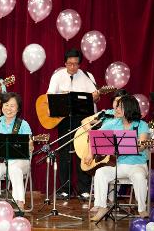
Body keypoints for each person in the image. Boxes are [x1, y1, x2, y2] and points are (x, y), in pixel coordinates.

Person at [85, 94, 150, 221]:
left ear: (129, 108)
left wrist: (135, 144)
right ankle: (102, 207)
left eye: (120, 107)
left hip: (138, 165)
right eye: (117, 106)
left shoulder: (141, 124)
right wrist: (90, 154)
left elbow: (142, 146)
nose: (116, 109)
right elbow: (94, 137)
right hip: (120, 166)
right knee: (100, 172)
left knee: (139, 176)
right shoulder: (112, 123)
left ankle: (142, 209)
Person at [47, 48, 100, 200]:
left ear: (79, 64)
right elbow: (49, 95)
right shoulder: (58, 76)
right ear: (65, 63)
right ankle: (65, 189)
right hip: (64, 119)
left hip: (83, 120)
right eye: (69, 64)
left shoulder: (87, 76)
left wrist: (95, 97)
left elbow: (95, 99)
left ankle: (84, 189)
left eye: (76, 64)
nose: (72, 67)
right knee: (64, 153)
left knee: (83, 151)